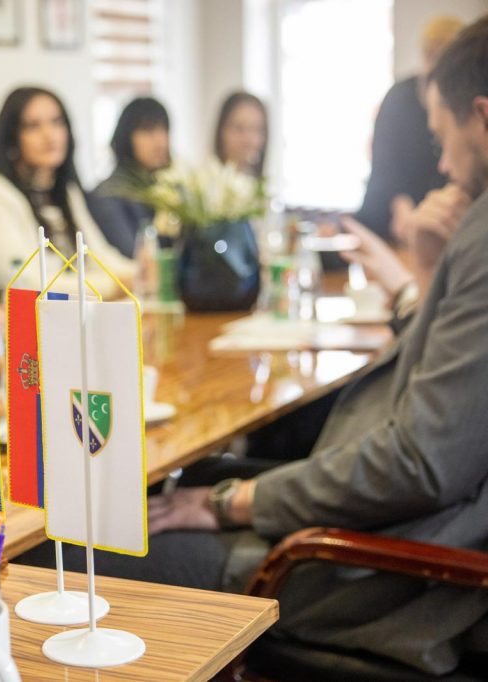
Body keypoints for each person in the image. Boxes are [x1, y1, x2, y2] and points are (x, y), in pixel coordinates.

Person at [31, 18, 488, 675]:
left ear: (481, 118)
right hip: (391, 527)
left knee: (65, 551)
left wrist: (233, 503)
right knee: (176, 487)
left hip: (373, 573)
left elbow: (419, 464)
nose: (440, 163)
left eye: (442, 137)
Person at [0, 87, 134, 296]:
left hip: (71, 314)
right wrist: (114, 286)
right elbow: (24, 284)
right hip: (16, 317)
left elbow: (100, 257)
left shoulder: (65, 193)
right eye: (33, 126)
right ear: (12, 137)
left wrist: (141, 274)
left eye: (57, 122)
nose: (49, 135)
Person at [354, 16, 465, 241]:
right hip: (393, 213)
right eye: (431, 55)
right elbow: (384, 165)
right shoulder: (399, 98)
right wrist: (399, 202)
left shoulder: (462, 102)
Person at [91, 96, 171, 258]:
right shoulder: (109, 194)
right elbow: (133, 254)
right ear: (127, 137)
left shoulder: (168, 188)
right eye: (148, 131)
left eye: (164, 129)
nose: (160, 142)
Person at [214, 91, 268, 178]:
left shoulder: (261, 183)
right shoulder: (201, 181)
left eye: (256, 129)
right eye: (239, 128)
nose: (248, 140)